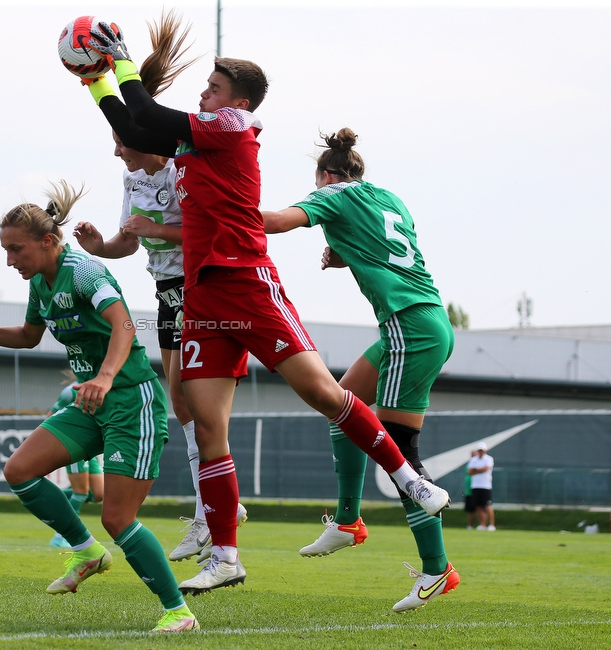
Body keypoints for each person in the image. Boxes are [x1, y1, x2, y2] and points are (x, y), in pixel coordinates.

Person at [84, 22, 450, 597]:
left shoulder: (231, 127)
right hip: (204, 292)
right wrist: (93, 80)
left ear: (240, 101)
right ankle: (226, 555)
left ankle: (408, 478)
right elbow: (134, 126)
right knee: (207, 425)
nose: (204, 93)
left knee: (325, 396)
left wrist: (120, 62)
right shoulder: (201, 132)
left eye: (212, 86)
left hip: (249, 281)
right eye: (205, 86)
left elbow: (149, 118)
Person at [0, 181, 198, 633]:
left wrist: (106, 375)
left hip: (132, 401)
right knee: (18, 470)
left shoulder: (85, 272)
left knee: (117, 518)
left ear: (49, 241)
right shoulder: (41, 281)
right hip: (91, 403)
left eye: (17, 250)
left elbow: (125, 324)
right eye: (6, 250)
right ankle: (87, 551)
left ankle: (179, 612)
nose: (10, 260)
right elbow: (28, 336)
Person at [261, 128, 460, 611]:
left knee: (399, 454)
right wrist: (346, 255)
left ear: (326, 175)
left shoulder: (332, 194)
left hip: (408, 329)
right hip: (428, 320)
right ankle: (348, 522)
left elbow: (276, 222)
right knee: (340, 403)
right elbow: (396, 254)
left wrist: (216, 205)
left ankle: (437, 570)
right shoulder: (389, 197)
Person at [75, 11, 246, 563]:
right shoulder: (133, 176)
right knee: (183, 402)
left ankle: (213, 511)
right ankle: (211, 507)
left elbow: (201, 229)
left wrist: (155, 230)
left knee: (194, 403)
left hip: (197, 284)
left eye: (121, 141)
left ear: (142, 140)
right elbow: (131, 243)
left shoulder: (181, 166)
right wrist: (103, 246)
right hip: (167, 286)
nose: (117, 150)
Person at [46, 378, 104, 549]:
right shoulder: (71, 391)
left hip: (89, 449)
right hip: (73, 444)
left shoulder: (105, 387)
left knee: (98, 494)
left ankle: (53, 497)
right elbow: (49, 417)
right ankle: (60, 536)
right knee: (81, 492)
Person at [467, 442, 496, 531]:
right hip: (475, 486)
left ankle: (491, 525)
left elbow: (486, 469)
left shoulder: (489, 459)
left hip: (485, 486)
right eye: (479, 450)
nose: (480, 452)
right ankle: (482, 525)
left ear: (485, 451)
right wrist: (480, 469)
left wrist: (476, 469)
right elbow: (470, 471)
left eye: (482, 450)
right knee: (478, 506)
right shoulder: (473, 460)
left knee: (487, 505)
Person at [464, 451, 477, 530]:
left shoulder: (477, 463)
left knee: (480, 508)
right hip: (468, 490)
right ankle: (470, 525)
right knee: (470, 510)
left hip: (475, 489)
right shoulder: (470, 463)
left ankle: (483, 525)